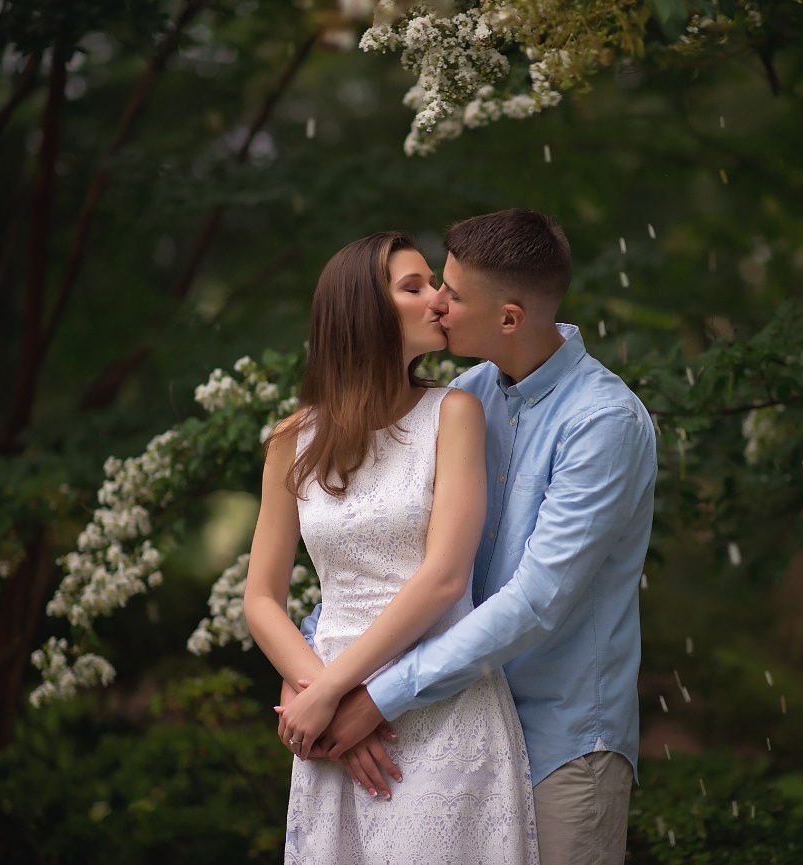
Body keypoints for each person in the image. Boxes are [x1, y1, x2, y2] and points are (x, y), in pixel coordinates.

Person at [303, 209, 658, 865]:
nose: (437, 300)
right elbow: (383, 552)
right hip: (449, 729)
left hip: (560, 738)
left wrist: (374, 696)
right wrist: (318, 672)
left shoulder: (602, 422)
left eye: (452, 292)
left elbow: (534, 602)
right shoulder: (461, 400)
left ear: (509, 318)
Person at [243, 231, 538, 863]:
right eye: (415, 286)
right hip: (329, 722)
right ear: (362, 312)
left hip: (444, 707)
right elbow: (261, 599)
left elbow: (442, 580)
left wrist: (332, 697)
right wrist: (322, 697)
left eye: (435, 283)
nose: (439, 299)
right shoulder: (291, 440)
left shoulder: (454, 413)